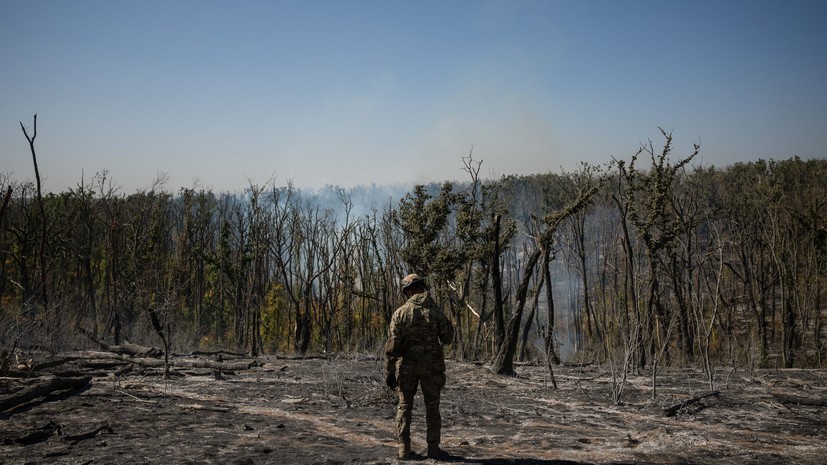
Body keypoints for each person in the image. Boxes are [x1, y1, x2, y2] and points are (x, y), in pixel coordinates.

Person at [385, 273, 454, 460]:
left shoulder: (401, 313)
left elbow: (392, 346)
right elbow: (448, 337)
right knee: (432, 407)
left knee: (404, 406)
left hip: (407, 367)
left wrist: (390, 372)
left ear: (408, 291)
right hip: (432, 368)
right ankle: (433, 449)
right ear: (422, 288)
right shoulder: (436, 311)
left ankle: (403, 449)